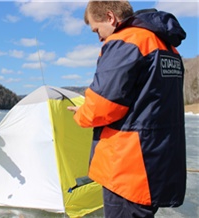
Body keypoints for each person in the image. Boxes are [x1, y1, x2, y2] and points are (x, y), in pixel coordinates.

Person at [67, 1, 186, 217]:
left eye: (97, 30)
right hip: (157, 161)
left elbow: (101, 106)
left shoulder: (126, 41)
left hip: (128, 168)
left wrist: (81, 114)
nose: (100, 38)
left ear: (110, 17)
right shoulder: (167, 47)